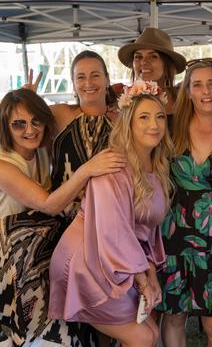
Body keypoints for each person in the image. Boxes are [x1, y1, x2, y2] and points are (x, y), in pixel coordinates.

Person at [1, 50, 124, 346]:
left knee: (79, 308)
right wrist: (87, 170)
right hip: (12, 249)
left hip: (52, 237)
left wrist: (28, 99)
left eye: (95, 74)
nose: (29, 129)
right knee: (31, 323)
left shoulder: (40, 145)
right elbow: (49, 203)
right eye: (80, 76)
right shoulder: (7, 163)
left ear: (107, 78)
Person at [49, 81, 174, 346]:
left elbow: (146, 232)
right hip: (88, 261)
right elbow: (113, 232)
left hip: (122, 261)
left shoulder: (156, 166)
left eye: (160, 116)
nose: (154, 125)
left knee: (151, 333)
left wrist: (151, 274)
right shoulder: (114, 166)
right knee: (142, 337)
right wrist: (144, 280)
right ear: (128, 122)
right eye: (144, 117)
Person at [155, 58, 212, 347]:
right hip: (174, 235)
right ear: (187, 91)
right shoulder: (170, 127)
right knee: (175, 317)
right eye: (197, 84)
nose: (206, 91)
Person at [118, 27, 187, 114]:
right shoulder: (123, 104)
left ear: (168, 65)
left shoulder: (185, 102)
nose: (143, 62)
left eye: (153, 56)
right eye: (138, 57)